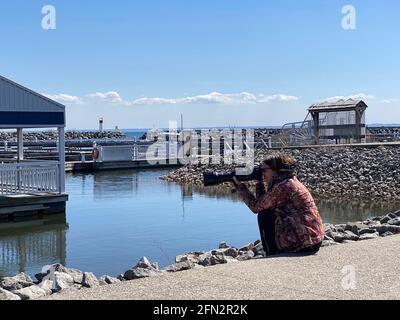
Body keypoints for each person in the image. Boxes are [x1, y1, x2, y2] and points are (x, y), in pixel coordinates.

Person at [233, 154, 325, 256]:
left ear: (275, 170)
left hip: (304, 244)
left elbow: (256, 207)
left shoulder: (283, 186)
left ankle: (272, 254)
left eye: (263, 170)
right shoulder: (289, 180)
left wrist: (241, 188)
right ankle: (273, 251)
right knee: (266, 212)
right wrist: (260, 183)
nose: (261, 173)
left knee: (265, 216)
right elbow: (264, 203)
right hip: (312, 240)